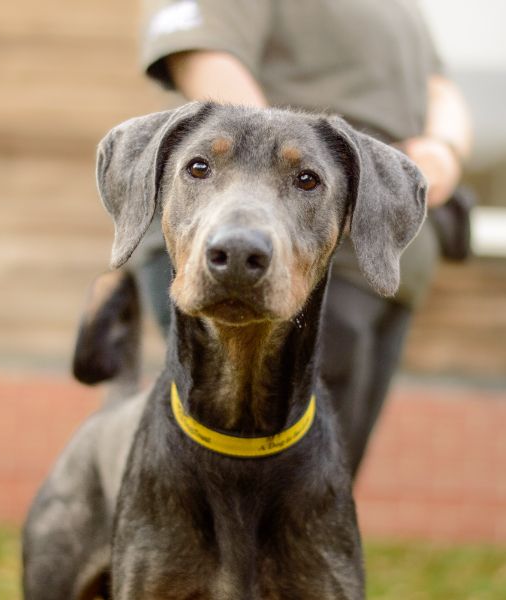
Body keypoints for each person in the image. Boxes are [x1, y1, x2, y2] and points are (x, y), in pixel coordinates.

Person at [133, 0, 472, 477]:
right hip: (259, 254)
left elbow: (440, 89)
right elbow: (201, 52)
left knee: (324, 486)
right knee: (221, 495)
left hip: (388, 265)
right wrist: (288, 181)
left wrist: (444, 151)